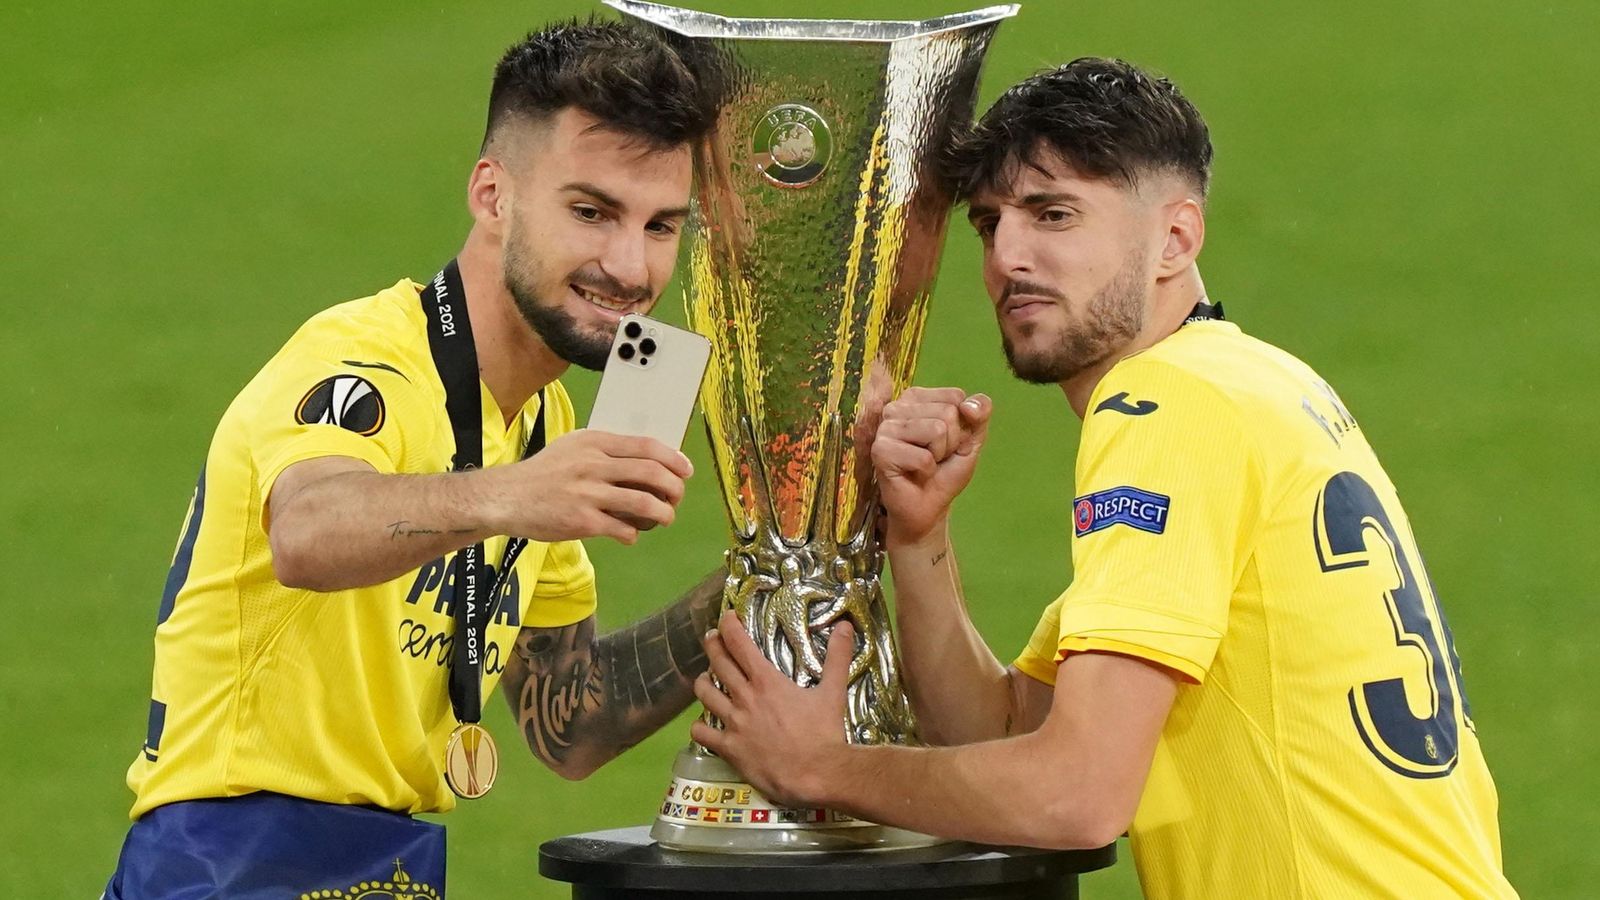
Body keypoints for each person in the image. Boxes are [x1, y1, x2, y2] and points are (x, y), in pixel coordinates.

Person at [693, 58, 1517, 898]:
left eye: (1053, 215)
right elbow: (1002, 730)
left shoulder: (1166, 404)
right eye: (989, 224)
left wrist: (822, 768)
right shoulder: (1263, 382)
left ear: (1176, 239)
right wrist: (919, 538)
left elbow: (1076, 796)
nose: (1008, 257)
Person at [104, 21, 727, 898]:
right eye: (590, 212)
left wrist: (770, 574)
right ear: (493, 195)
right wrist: (513, 496)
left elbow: (570, 722)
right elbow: (307, 530)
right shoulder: (365, 360)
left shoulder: (540, 424)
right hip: (230, 862)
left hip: (387, 868)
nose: (630, 266)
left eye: (661, 225)